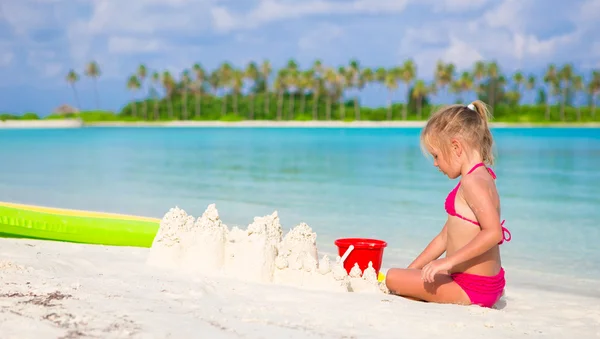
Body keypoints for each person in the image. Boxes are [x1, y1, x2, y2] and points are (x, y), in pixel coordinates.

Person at [385, 100, 511, 308]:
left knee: (391, 277)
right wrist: (412, 270)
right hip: (482, 283)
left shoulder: (472, 182)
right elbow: (445, 237)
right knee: (413, 275)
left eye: (436, 155)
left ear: (456, 147)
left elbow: (493, 232)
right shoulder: (480, 176)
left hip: (472, 288)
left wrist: (447, 262)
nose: (435, 163)